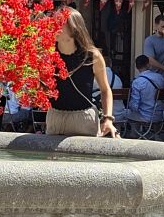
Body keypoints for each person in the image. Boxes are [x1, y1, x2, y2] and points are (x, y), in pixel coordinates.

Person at [47, 9, 118, 137]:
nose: (54, 26)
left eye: (59, 22)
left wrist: (108, 119)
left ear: (74, 27)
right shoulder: (47, 55)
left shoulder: (92, 56)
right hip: (55, 116)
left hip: (83, 119)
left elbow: (105, 90)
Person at [126, 54, 164, 134]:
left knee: (127, 112)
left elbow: (134, 105)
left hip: (145, 116)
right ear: (148, 65)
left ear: (137, 67)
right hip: (160, 115)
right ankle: (156, 135)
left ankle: (134, 134)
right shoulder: (160, 78)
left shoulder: (137, 82)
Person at [141, 14, 164, 80]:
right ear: (156, 26)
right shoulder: (150, 40)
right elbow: (150, 60)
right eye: (163, 26)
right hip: (155, 78)